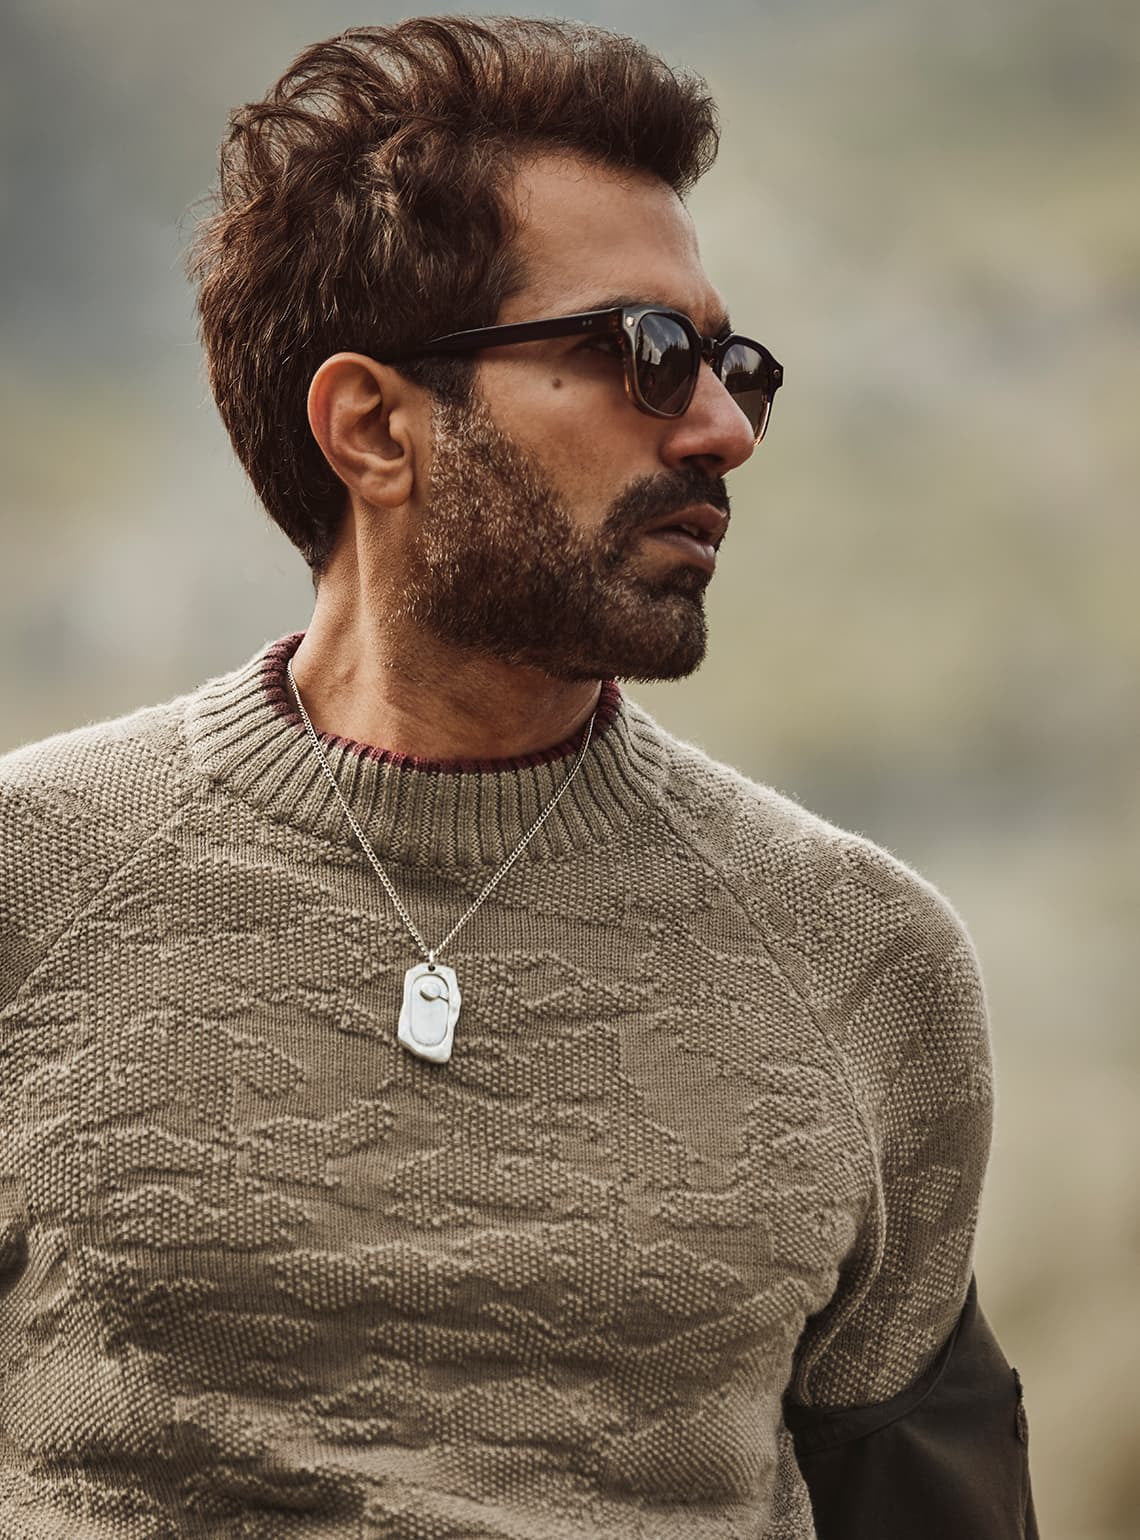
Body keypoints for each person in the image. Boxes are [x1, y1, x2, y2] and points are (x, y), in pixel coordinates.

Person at [0, 16, 1038, 1539]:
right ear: (373, 427)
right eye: (647, 355)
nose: (724, 429)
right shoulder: (32, 879)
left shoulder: (866, 960)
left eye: (735, 367)